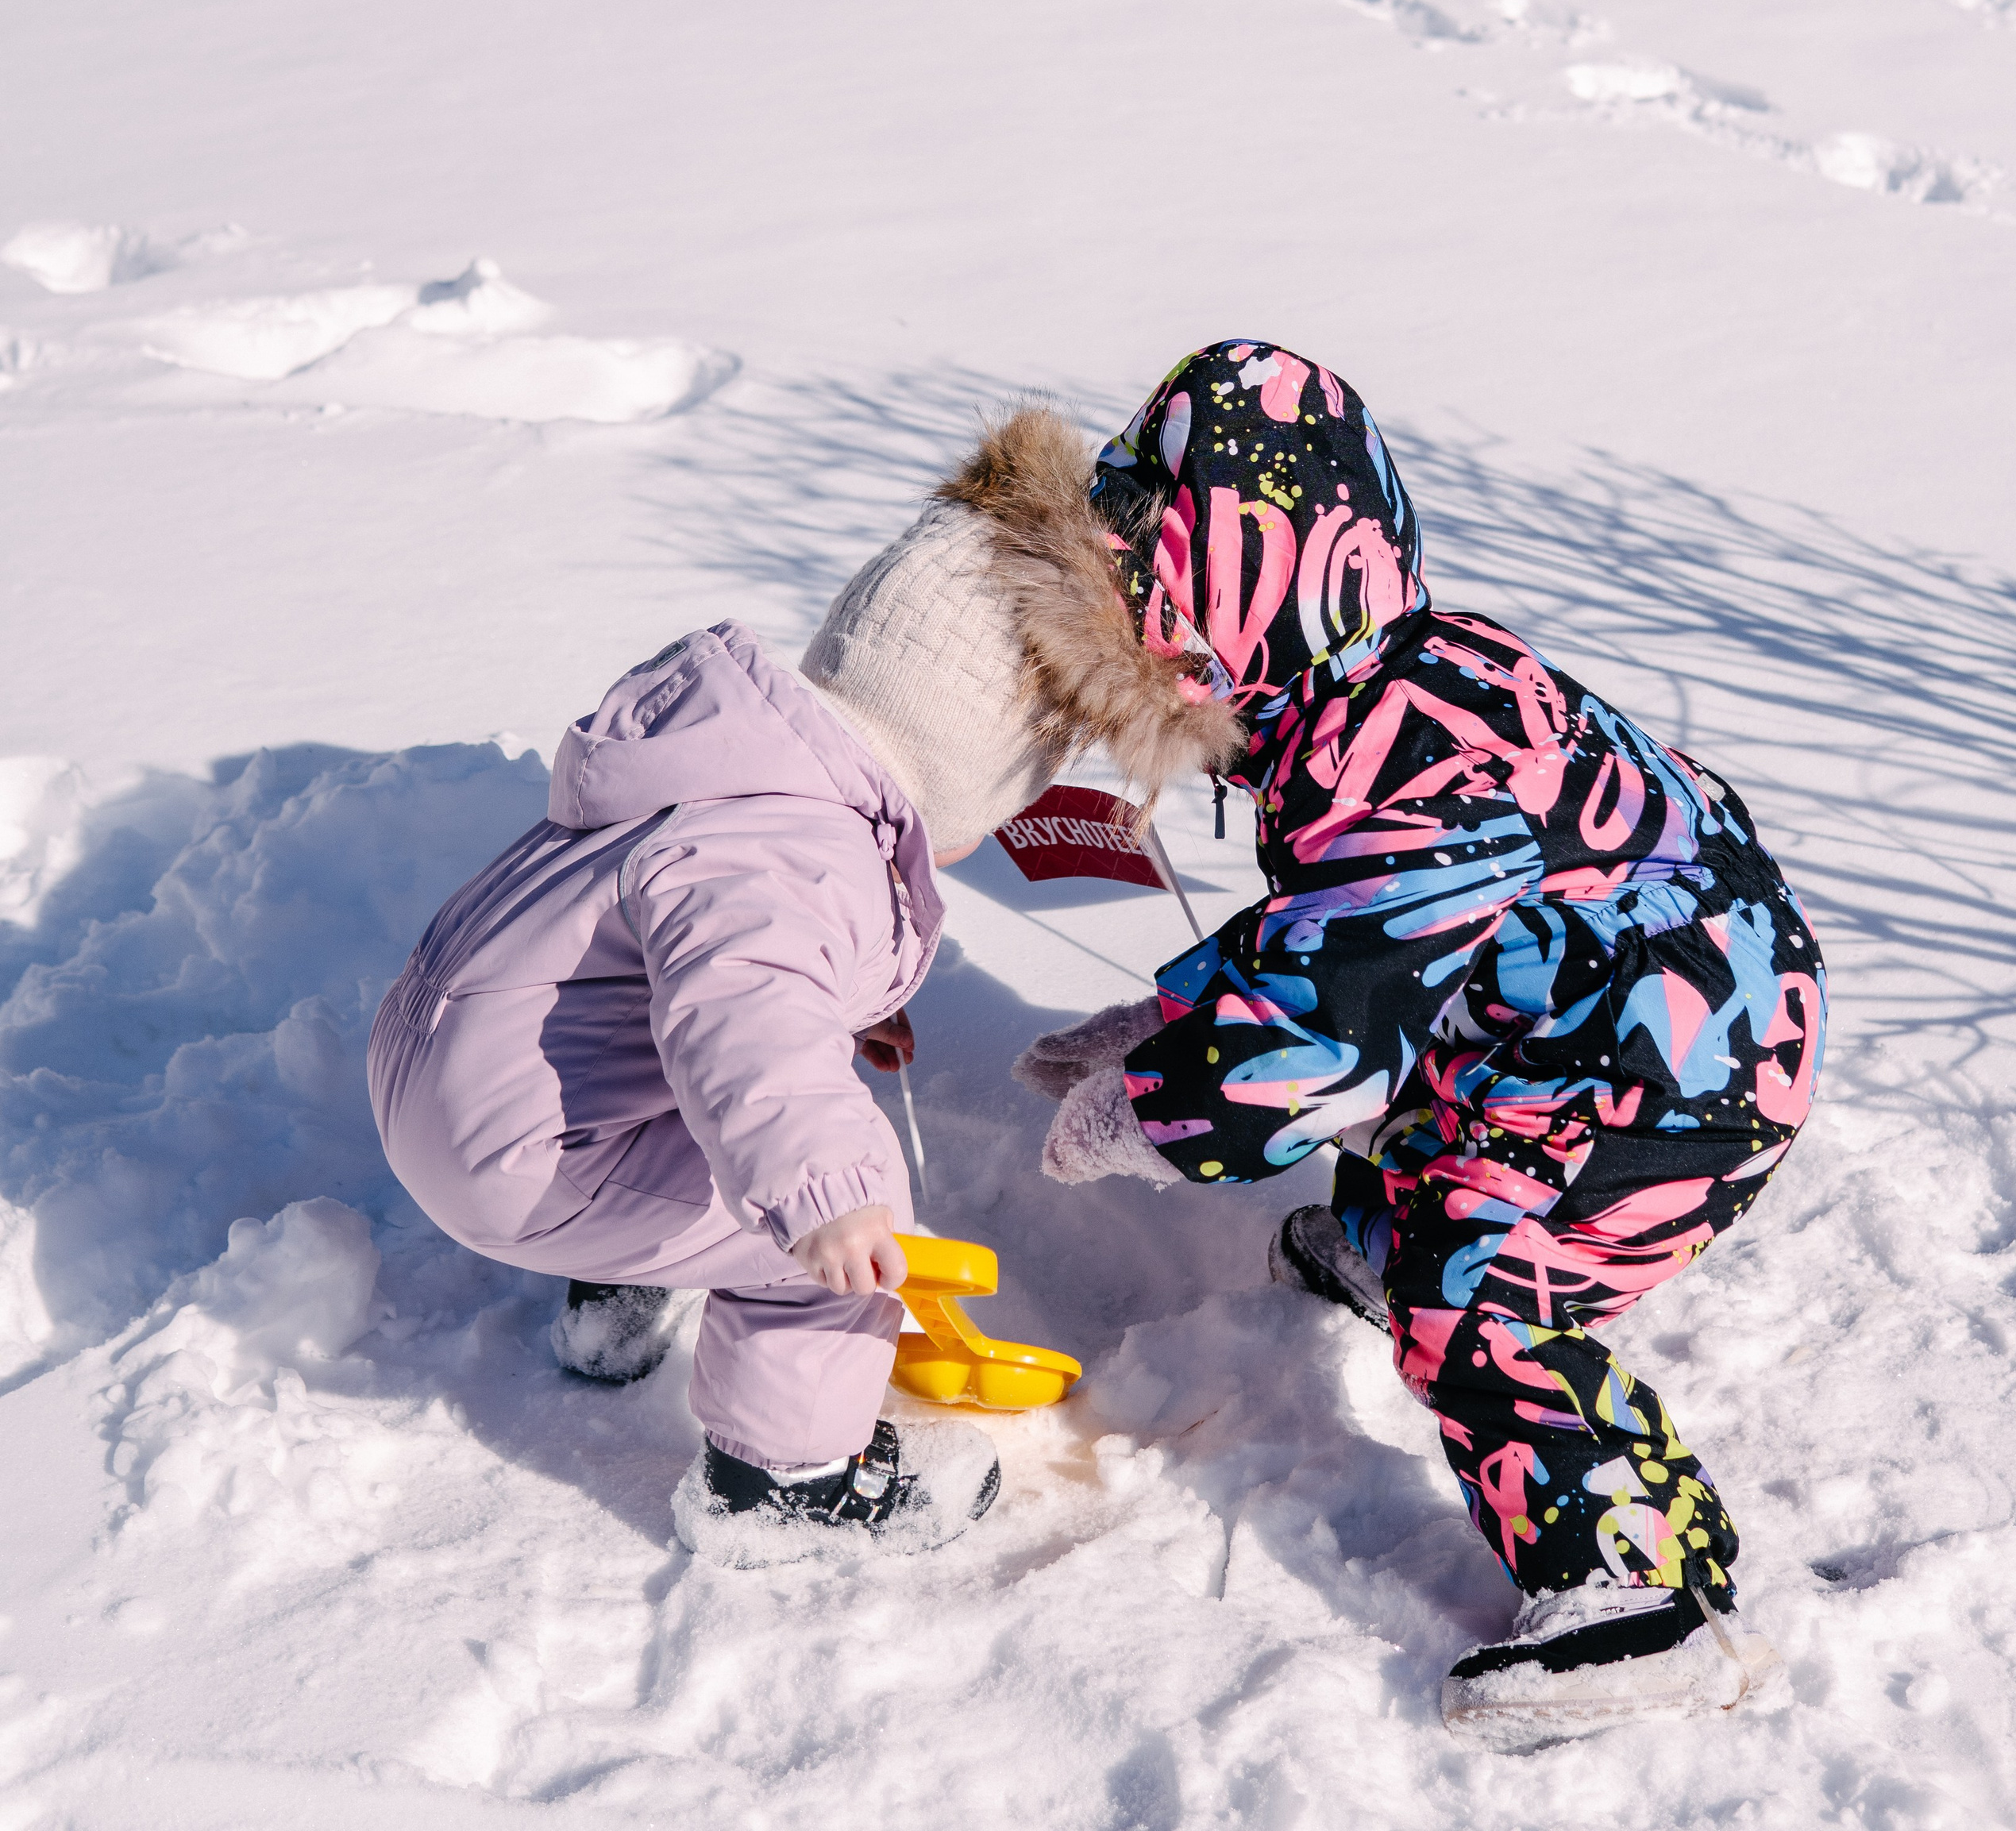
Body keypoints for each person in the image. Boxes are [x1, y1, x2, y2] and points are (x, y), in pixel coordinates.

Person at [1017, 340, 1823, 1748]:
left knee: (1476, 1273)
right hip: (1586, 1021)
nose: (1141, 620)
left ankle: (1634, 1588)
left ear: (1258, 579)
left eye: (1163, 579)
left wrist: (1152, 1107)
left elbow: (1330, 1020)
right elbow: (1349, 931)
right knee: (1420, 1141)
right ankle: (1390, 1260)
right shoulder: (1382, 689)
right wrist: (1171, 1015)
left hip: (1676, 1068)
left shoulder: (1394, 743)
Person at [367, 406, 1233, 1552]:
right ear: (967, 762)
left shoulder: (741, 770)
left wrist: (850, 1004)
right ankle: (786, 1478)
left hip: (446, 1077)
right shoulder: (802, 852)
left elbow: (704, 967)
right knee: (833, 1200)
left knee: (734, 1105)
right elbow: (747, 1005)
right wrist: (829, 1198)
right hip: (520, 1157)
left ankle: (614, 1295)